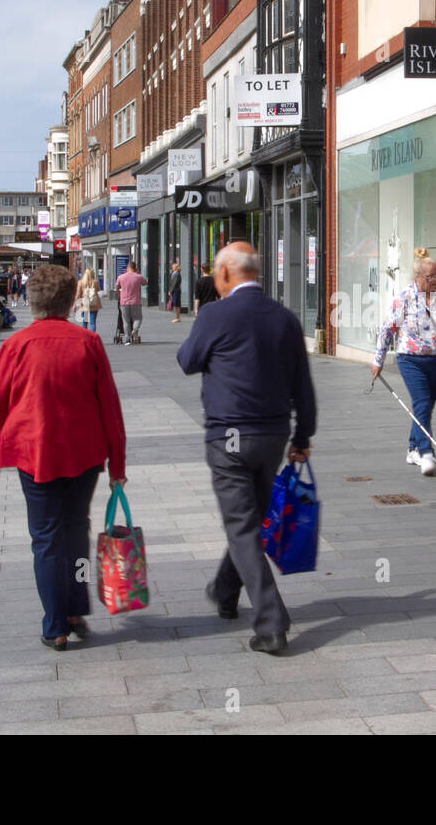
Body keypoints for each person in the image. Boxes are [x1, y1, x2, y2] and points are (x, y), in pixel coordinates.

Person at [0, 265, 127, 651]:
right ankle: (75, 608)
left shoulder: (17, 345)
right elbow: (110, 405)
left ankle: (56, 624)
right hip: (84, 454)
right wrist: (118, 465)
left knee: (45, 538)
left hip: (36, 453)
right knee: (77, 529)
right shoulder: (87, 342)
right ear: (72, 300)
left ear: (31, 303)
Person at [176, 242, 315, 655]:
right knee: (249, 520)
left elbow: (187, 361)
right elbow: (303, 386)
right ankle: (224, 588)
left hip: (227, 438)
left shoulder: (215, 314)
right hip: (271, 437)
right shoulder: (285, 318)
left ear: (223, 275)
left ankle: (272, 622)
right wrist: (302, 438)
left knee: (242, 526)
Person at [370, 248, 436, 476]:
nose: (434, 279)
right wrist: (378, 359)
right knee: (421, 401)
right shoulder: (405, 297)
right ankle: (427, 453)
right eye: (430, 276)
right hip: (410, 359)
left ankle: (412, 448)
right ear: (418, 277)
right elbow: (387, 328)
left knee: (426, 404)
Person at [114, 262, 147, 345]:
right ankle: (134, 331)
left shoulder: (120, 277)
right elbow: (145, 283)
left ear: (127, 268)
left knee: (126, 321)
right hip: (135, 302)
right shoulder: (138, 277)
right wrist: (138, 273)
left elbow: (117, 289)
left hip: (124, 302)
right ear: (135, 268)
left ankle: (127, 339)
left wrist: (121, 295)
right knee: (138, 318)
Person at [75, 268, 100, 332]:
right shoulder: (95, 282)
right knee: (92, 323)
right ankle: (92, 337)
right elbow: (98, 290)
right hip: (94, 304)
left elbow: (78, 294)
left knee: (85, 322)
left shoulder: (81, 282)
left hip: (85, 305)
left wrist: (75, 304)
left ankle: (85, 337)